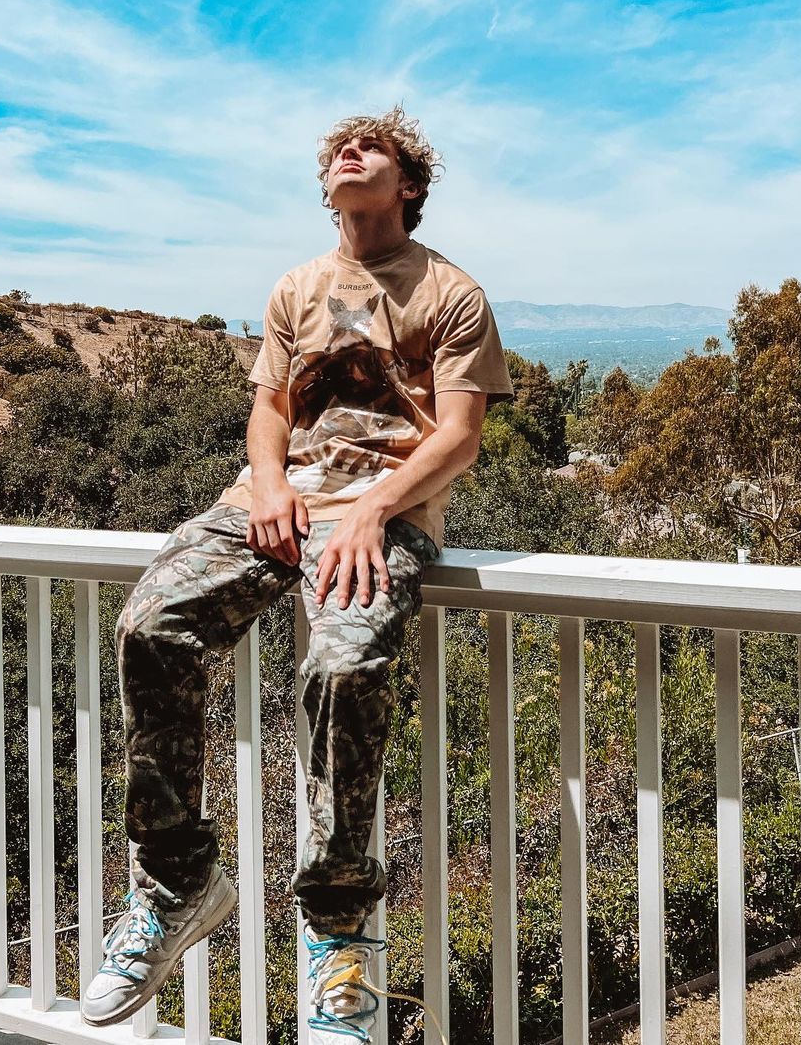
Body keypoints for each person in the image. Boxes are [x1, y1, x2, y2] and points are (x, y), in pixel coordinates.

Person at [82, 106, 513, 1041]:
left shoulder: (452, 293)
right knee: (150, 625)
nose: (348, 153)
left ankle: (338, 932)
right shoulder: (297, 288)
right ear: (326, 189)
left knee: (344, 666)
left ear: (409, 185)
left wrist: (373, 510)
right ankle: (179, 881)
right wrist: (271, 483)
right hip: (272, 505)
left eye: (372, 147)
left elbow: (459, 435)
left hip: (380, 512)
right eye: (336, 152)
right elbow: (271, 411)